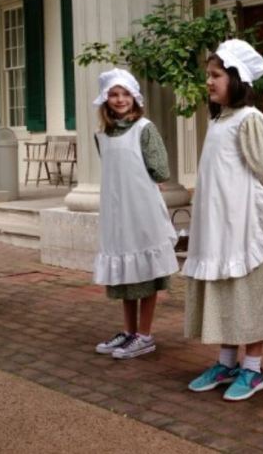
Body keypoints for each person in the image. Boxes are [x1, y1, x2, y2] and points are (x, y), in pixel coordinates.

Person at [182, 39, 263, 401]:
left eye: (216, 75)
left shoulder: (250, 120)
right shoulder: (219, 120)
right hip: (217, 225)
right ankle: (226, 362)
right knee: (226, 290)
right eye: (208, 75)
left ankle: (253, 369)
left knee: (248, 292)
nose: (209, 81)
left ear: (237, 78)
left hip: (242, 226)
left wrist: (260, 208)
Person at [91, 68, 179, 359]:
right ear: (105, 99)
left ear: (135, 97)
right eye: (114, 94)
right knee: (124, 274)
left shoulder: (144, 129)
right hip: (117, 212)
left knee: (145, 272)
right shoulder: (101, 134)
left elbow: (161, 170)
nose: (120, 99)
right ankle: (129, 332)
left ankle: (144, 334)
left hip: (141, 209)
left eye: (125, 94)